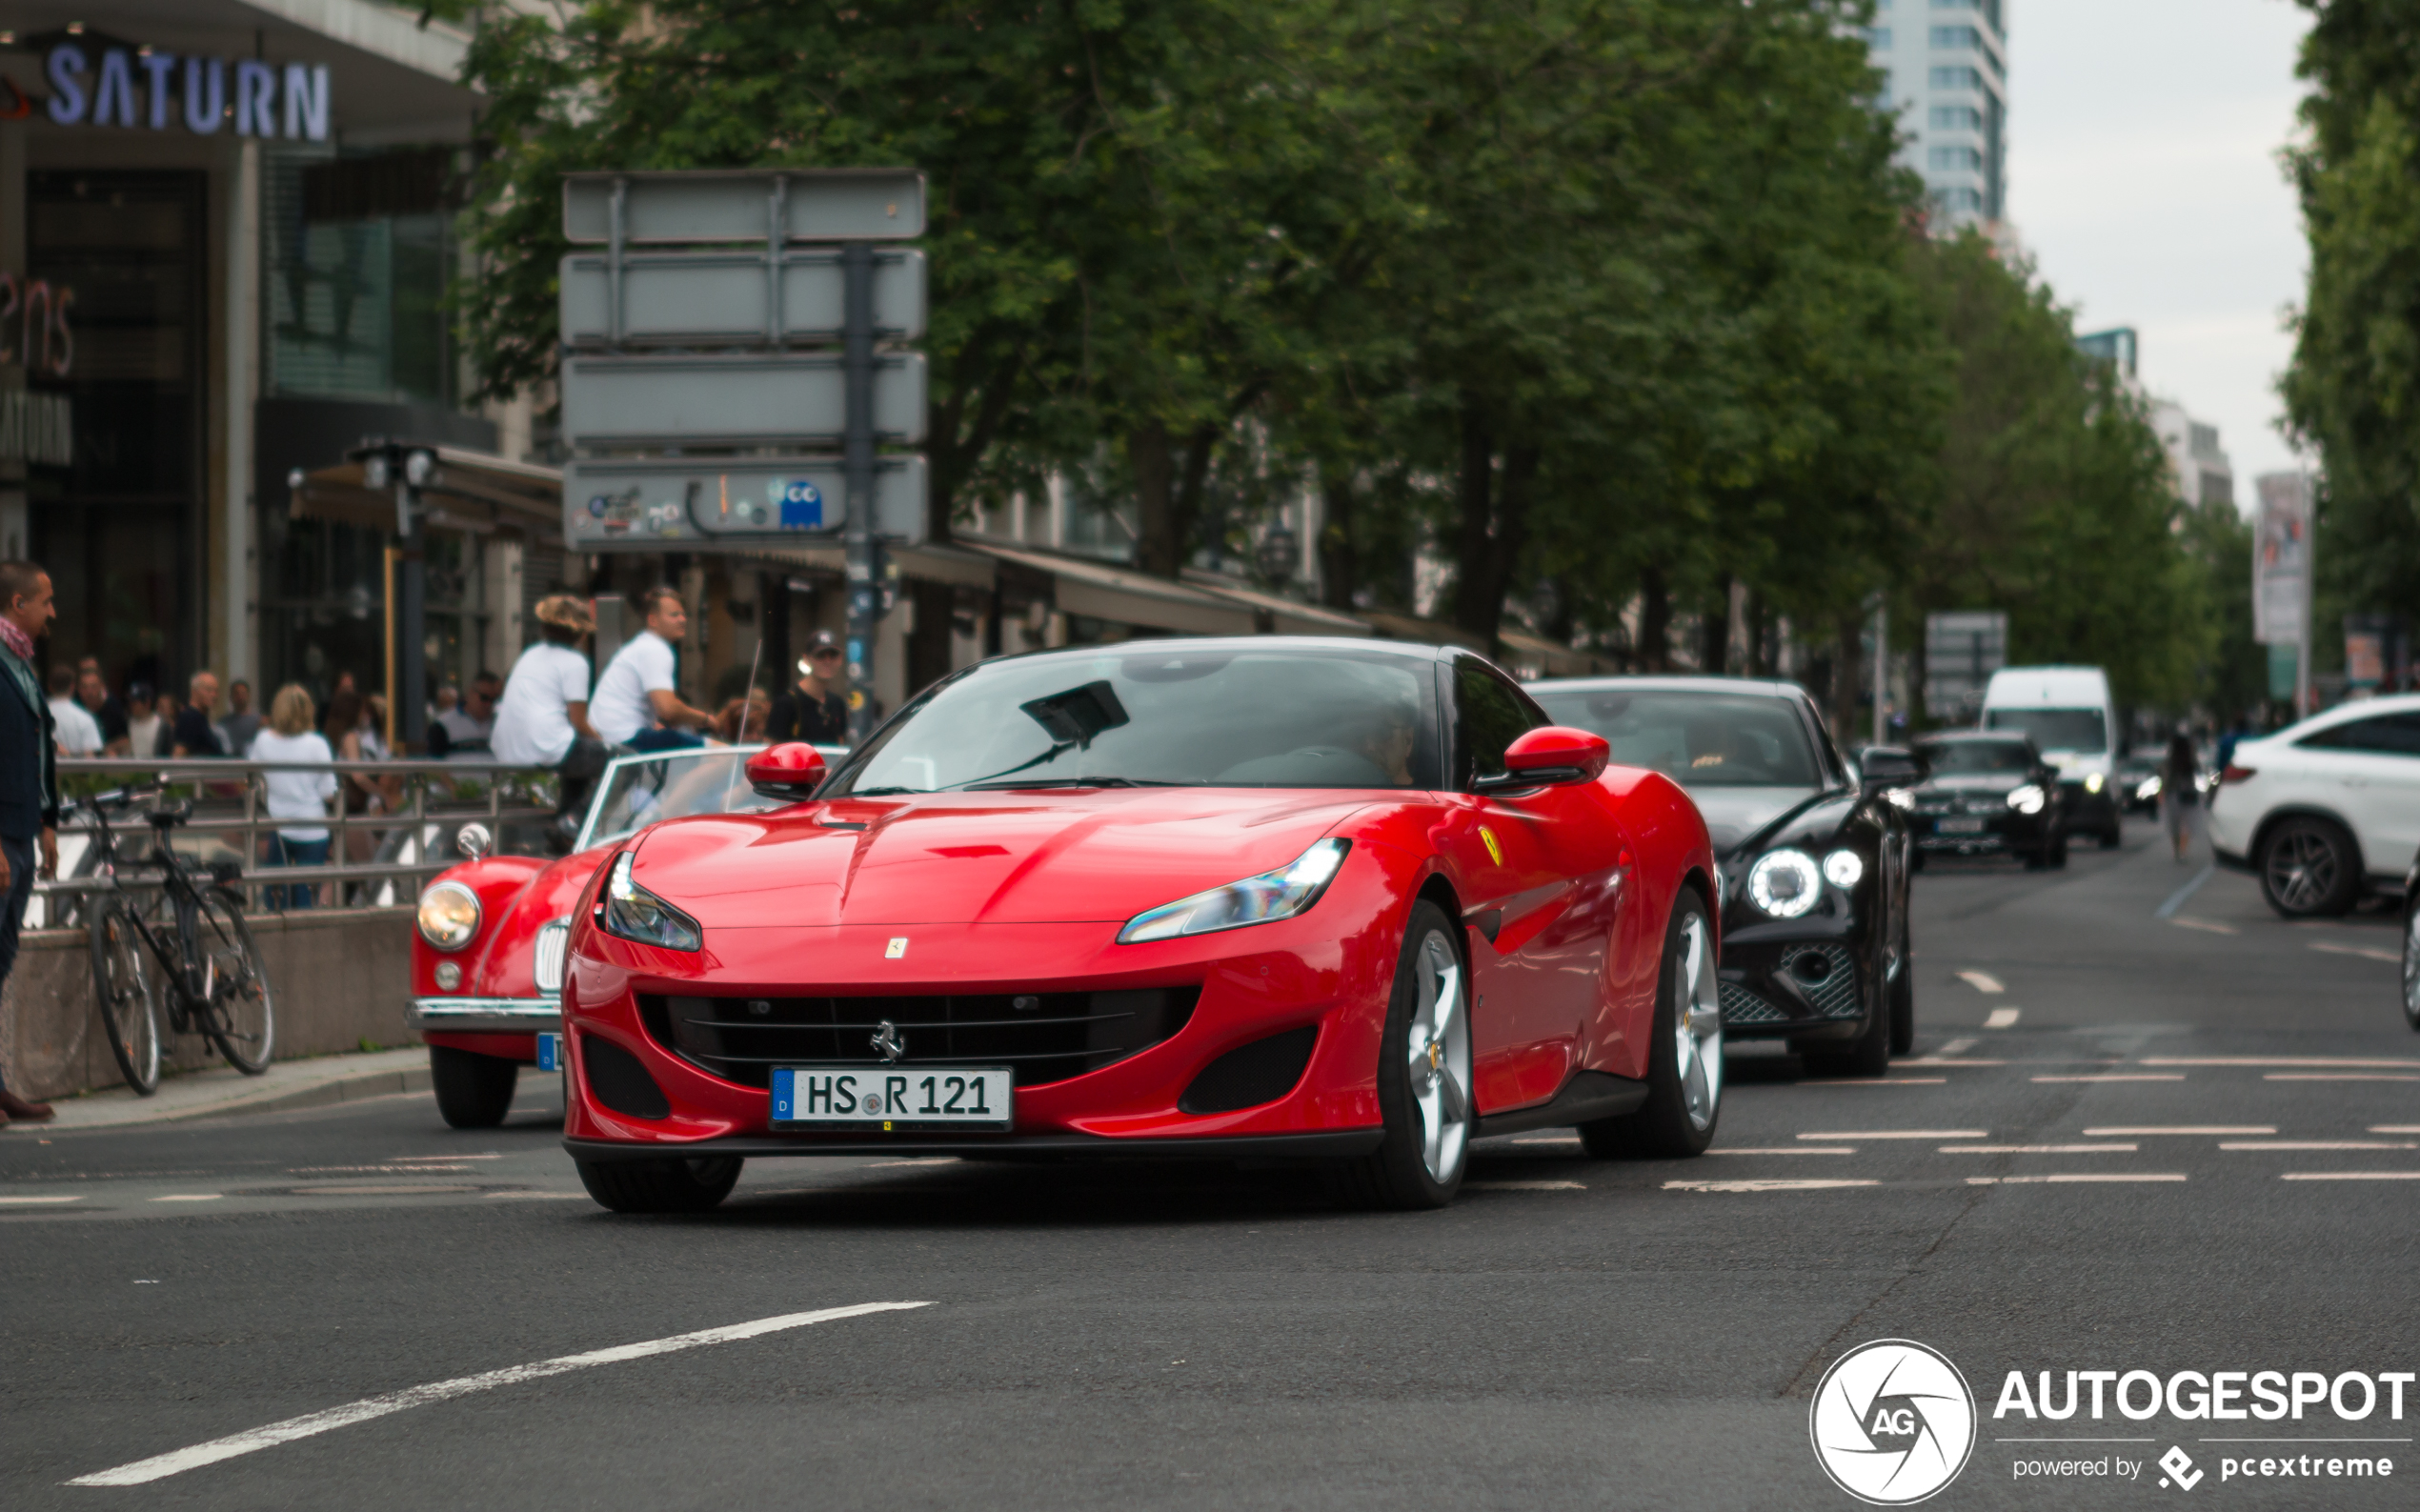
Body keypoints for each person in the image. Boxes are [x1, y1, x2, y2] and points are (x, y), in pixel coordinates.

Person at [0, 562, 59, 1120]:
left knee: (2, 959)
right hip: (1, 835)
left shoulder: (20, 663)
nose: (52, 612)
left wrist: (49, 821)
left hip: (22, 830)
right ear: (19, 604)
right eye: (45, 601)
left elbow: (39, 747)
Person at [494, 595, 610, 834]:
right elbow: (578, 721)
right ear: (579, 633)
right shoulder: (576, 662)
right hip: (546, 745)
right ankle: (573, 819)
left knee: (580, 761)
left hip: (508, 746)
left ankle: (565, 823)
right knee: (622, 761)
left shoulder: (530, 653)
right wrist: (605, 743)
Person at [589, 586, 716, 751]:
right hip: (627, 738)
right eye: (674, 615)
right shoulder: (656, 650)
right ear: (653, 620)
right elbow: (668, 710)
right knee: (721, 754)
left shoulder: (641, 645)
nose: (682, 620)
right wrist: (706, 719)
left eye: (684, 614)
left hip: (611, 736)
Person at [251, 684, 336, 909]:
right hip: (313, 827)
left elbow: (252, 779)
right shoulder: (318, 744)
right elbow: (329, 793)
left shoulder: (263, 741)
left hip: (278, 827)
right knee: (305, 895)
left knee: (275, 896)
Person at [765, 629, 852, 746]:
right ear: (806, 659)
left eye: (833, 655)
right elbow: (771, 749)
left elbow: (839, 747)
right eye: (820, 656)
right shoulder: (786, 703)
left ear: (840, 659)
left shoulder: (837, 703)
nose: (827, 661)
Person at [430, 670, 499, 757]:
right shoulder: (443, 725)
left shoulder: (499, 724)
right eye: (484, 698)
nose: (488, 704)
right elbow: (435, 766)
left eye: (494, 700)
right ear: (471, 693)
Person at [2162, 724, 2199, 863]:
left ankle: (2178, 850)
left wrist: (2164, 790)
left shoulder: (2172, 759)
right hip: (2187, 792)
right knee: (2185, 824)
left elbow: (2166, 777)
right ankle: (2182, 851)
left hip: (2174, 793)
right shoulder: (2189, 758)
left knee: (2175, 824)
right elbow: (2197, 769)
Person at [47, 666, 102, 756]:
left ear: (50, 686)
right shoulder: (85, 718)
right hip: (75, 770)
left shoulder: (38, 716)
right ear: (72, 686)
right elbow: (90, 759)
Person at [74, 658, 128, 754]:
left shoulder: (113, 708)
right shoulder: (75, 708)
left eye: (93, 687)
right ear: (79, 689)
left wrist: (105, 749)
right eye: (85, 687)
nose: (89, 692)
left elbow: (124, 740)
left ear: (102, 687)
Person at [171, 671, 224, 756]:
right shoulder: (189, 717)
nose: (214, 695)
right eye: (208, 690)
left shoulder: (202, 719)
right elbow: (179, 754)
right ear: (194, 691)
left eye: (216, 691)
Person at [217, 678, 261, 758]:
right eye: (237, 694)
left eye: (243, 693)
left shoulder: (258, 721)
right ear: (231, 697)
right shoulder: (223, 722)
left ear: (248, 695)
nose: (240, 697)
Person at [123, 682, 161, 760]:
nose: (131, 705)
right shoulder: (127, 723)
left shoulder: (160, 724)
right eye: (130, 702)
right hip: (133, 769)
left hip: (154, 768)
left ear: (147, 703)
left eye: (135, 702)